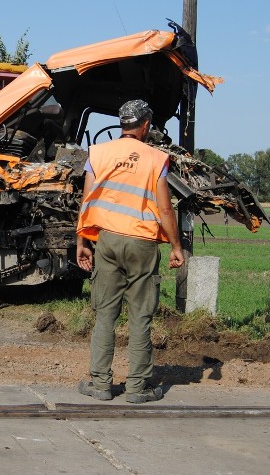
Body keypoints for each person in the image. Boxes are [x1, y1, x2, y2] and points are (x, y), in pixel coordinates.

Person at [75, 100, 184, 404]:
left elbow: (87, 201)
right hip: (142, 244)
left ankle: (100, 385)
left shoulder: (98, 153)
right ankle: (137, 388)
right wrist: (176, 247)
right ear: (146, 125)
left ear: (122, 123)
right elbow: (164, 207)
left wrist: (82, 241)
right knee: (140, 317)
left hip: (107, 241)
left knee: (105, 315)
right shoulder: (156, 158)